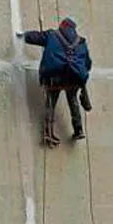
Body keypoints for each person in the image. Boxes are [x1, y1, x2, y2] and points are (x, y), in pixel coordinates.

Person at [17, 17, 93, 146]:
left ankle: (48, 133)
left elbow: (37, 37)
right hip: (73, 78)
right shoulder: (81, 42)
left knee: (51, 103)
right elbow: (87, 63)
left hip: (55, 77)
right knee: (73, 101)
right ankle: (78, 129)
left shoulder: (52, 35)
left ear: (62, 26)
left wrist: (23, 36)